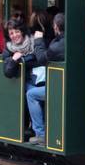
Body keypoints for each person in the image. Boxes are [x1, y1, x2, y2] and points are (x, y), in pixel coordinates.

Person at [25, 13, 66, 141]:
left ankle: (40, 134)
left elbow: (42, 58)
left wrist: (38, 40)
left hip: (60, 87)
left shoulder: (59, 44)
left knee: (31, 94)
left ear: (56, 27)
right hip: (62, 83)